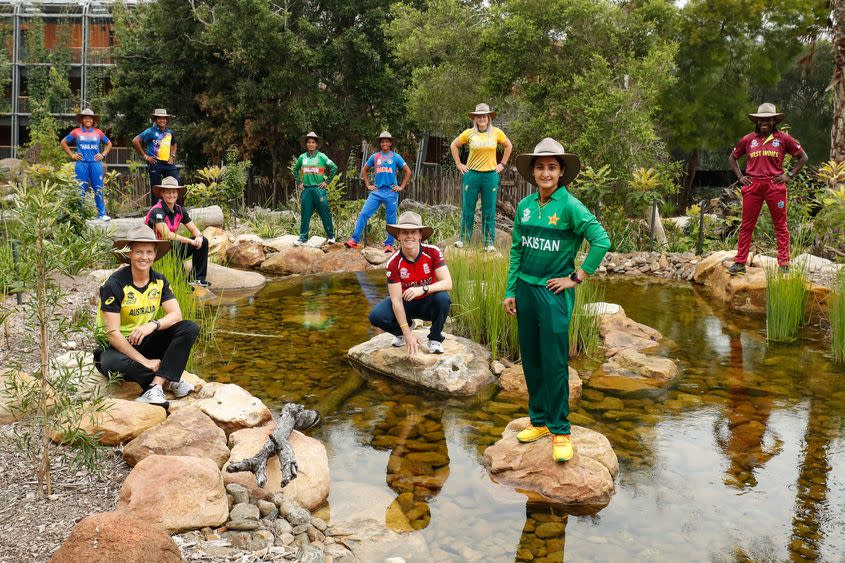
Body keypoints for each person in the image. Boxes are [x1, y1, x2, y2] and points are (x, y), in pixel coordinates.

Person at [503, 138, 611, 462]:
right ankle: (538, 421)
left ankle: (561, 430)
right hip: (525, 289)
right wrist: (510, 290)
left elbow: (601, 241)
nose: (545, 172)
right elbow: (517, 251)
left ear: (561, 171)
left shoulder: (570, 206)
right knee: (532, 360)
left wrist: (577, 277)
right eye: (540, 167)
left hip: (553, 294)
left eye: (552, 167)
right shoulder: (524, 206)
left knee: (554, 363)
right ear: (533, 171)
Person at [96, 224, 200, 409]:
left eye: (149, 252)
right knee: (111, 363)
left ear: (155, 254)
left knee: (189, 328)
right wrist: (145, 362)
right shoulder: (114, 284)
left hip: (143, 339)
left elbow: (176, 315)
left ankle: (156, 385)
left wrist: (152, 325)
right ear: (129, 254)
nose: (145, 257)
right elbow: (112, 333)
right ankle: (169, 377)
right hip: (115, 346)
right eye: (139, 252)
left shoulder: (159, 280)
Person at [727, 102, 808, 275]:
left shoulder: (783, 139)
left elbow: (803, 157)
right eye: (761, 119)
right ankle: (740, 262)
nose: (764, 122)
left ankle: (784, 264)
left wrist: (789, 175)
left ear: (773, 121)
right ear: (756, 121)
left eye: (768, 119)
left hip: (775, 186)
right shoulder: (748, 139)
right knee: (747, 225)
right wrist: (740, 177)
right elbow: (732, 158)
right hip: (753, 186)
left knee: (780, 226)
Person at [368, 211, 452, 356]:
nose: (409, 236)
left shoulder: (432, 252)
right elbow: (396, 300)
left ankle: (435, 339)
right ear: (398, 236)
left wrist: (423, 289)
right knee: (376, 316)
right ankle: (401, 332)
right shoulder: (393, 262)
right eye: (404, 232)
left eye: (413, 232)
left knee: (443, 298)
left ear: (420, 235)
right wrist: (407, 333)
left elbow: (447, 283)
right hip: (405, 303)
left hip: (428, 302)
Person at [449, 103, 513, 252]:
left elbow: (508, 146)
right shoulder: (469, 133)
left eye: (484, 116)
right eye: (479, 116)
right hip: (472, 175)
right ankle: (464, 239)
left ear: (489, 117)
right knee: (468, 207)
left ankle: (488, 242)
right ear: (476, 118)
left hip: (490, 175)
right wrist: (459, 164)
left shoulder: (497, 132)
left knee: (489, 209)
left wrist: (502, 164)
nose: (482, 118)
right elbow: (454, 145)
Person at [345, 131, 412, 253]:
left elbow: (408, 171)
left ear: (390, 143)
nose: (385, 143)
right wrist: (368, 185)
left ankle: (389, 244)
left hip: (391, 192)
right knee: (364, 213)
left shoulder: (396, 157)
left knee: (391, 219)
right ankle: (354, 240)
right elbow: (364, 170)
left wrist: (401, 187)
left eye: (387, 141)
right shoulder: (375, 157)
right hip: (377, 191)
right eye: (383, 141)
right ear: (380, 143)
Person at [144, 176, 211, 287]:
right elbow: (167, 235)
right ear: (162, 193)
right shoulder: (157, 211)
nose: (171, 195)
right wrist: (190, 242)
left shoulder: (180, 210)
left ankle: (198, 279)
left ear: (177, 194)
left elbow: (194, 229)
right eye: (168, 192)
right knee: (182, 283)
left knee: (203, 241)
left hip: (172, 246)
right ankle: (183, 283)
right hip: (158, 249)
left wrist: (198, 236)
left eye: (174, 192)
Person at [60, 108, 112, 221]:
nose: (88, 120)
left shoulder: (98, 132)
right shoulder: (76, 132)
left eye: (90, 118)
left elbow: (109, 143)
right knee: (80, 189)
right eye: (86, 118)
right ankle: (79, 215)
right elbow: (63, 142)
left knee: (98, 188)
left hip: (95, 164)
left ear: (93, 120)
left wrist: (103, 154)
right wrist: (72, 155)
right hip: (81, 164)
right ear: (82, 120)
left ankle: (102, 214)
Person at [292, 131, 337, 245]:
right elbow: (295, 169)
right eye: (309, 142)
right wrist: (299, 182)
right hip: (307, 190)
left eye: (313, 142)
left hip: (319, 189)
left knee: (325, 212)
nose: (311, 144)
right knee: (305, 214)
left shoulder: (321, 156)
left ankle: (331, 236)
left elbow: (334, 167)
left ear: (316, 144)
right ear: (306, 144)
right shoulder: (302, 157)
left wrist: (327, 182)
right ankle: (303, 238)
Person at [133, 108, 179, 206]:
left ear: (166, 120)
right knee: (156, 188)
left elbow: (174, 143)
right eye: (159, 118)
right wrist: (145, 156)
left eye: (164, 118)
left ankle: (176, 209)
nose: (162, 120)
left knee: (174, 184)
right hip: (155, 163)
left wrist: (172, 156)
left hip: (168, 163)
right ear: (155, 120)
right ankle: (155, 212)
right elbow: (135, 141)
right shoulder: (150, 131)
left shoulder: (170, 132)